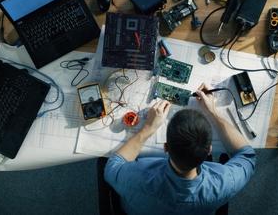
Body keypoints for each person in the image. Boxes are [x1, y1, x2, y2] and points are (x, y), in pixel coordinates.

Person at [104, 83, 256, 215]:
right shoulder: (224, 183)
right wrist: (213, 112)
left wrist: (148, 128)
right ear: (209, 149)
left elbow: (113, 166)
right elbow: (247, 155)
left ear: (166, 148)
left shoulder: (136, 178)